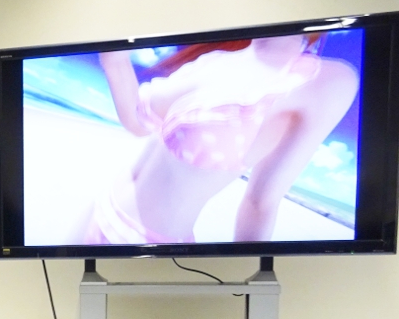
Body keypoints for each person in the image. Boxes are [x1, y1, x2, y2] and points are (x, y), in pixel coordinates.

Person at [88, 34, 359, 244]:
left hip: (150, 245)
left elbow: (261, 201)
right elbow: (138, 123)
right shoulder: (214, 59)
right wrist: (114, 59)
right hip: (100, 212)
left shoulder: (326, 81)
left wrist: (252, 275)